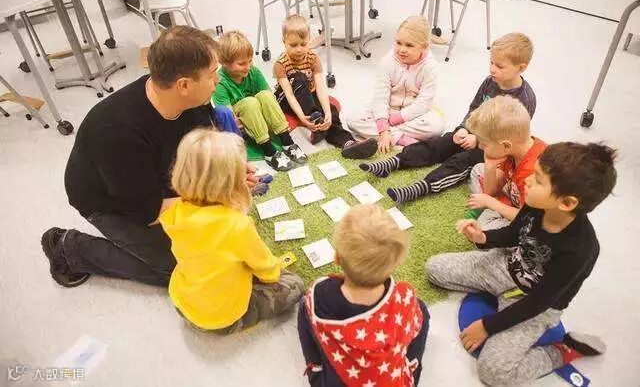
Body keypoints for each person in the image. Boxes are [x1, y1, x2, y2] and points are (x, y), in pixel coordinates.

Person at [40, 26, 259, 288]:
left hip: (157, 176)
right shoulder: (117, 133)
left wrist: (231, 171)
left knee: (212, 243)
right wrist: (219, 193)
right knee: (184, 269)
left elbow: (207, 146)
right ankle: (69, 249)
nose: (218, 81)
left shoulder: (191, 99)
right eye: (212, 74)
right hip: (111, 203)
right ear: (184, 85)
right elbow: (147, 212)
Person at [425, 142, 617, 385]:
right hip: (507, 267)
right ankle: (494, 291)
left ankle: (562, 352)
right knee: (434, 268)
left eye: (538, 179)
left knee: (494, 373)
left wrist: (487, 326)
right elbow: (513, 234)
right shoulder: (536, 204)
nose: (527, 181)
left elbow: (539, 302)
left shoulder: (580, 250)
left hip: (535, 303)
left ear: (567, 203)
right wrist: (483, 238)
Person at [359, 33, 536, 205]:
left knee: (461, 161)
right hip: (472, 133)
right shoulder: (490, 81)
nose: (492, 69)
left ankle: (421, 188)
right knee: (439, 143)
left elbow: (510, 138)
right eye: (491, 62)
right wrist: (463, 128)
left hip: (491, 148)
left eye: (500, 66)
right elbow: (474, 108)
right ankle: (395, 162)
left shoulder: (525, 99)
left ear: (521, 68)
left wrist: (478, 140)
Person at [160, 129, 304, 333]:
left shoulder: (175, 211)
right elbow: (268, 271)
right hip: (221, 318)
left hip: (183, 301)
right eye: (240, 171)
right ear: (228, 182)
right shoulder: (236, 225)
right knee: (295, 284)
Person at [298, 204, 429, 386]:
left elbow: (310, 309)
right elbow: (416, 321)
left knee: (304, 305)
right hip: (393, 381)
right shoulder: (405, 298)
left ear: (337, 258)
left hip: (335, 382)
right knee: (421, 309)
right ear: (396, 263)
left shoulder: (320, 295)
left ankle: (316, 366)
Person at [274, 14, 378, 160]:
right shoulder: (280, 64)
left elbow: (320, 87)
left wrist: (328, 113)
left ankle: (347, 142)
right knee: (299, 78)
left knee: (332, 109)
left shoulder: (312, 58)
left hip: (308, 95)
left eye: (303, 44)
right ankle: (317, 119)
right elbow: (289, 94)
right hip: (286, 98)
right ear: (284, 41)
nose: (299, 49)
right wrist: (303, 118)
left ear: (309, 40)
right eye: (293, 45)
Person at [347, 15, 445, 151]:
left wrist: (392, 122)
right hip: (388, 109)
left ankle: (386, 136)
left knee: (436, 127)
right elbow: (380, 97)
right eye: (399, 43)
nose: (402, 49)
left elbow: (423, 103)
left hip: (414, 114)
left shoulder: (431, 67)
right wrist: (383, 127)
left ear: (424, 47)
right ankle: (402, 139)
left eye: (409, 45)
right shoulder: (387, 61)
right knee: (353, 119)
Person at [212, 30, 307, 171]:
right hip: (244, 128)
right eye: (241, 64)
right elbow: (231, 119)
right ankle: (269, 151)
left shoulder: (253, 71)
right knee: (249, 102)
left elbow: (270, 98)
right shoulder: (220, 82)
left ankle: (287, 142)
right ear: (225, 63)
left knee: (265, 95)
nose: (248, 67)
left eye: (250, 61)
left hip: (264, 121)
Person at [464, 96, 547, 230]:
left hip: (525, 215)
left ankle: (487, 208)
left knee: (484, 228)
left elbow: (527, 217)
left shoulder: (532, 172)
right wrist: (490, 166)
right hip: (511, 195)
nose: (480, 147)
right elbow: (491, 191)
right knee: (478, 169)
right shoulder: (514, 148)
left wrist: (491, 203)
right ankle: (487, 206)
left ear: (506, 146)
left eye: (484, 144)